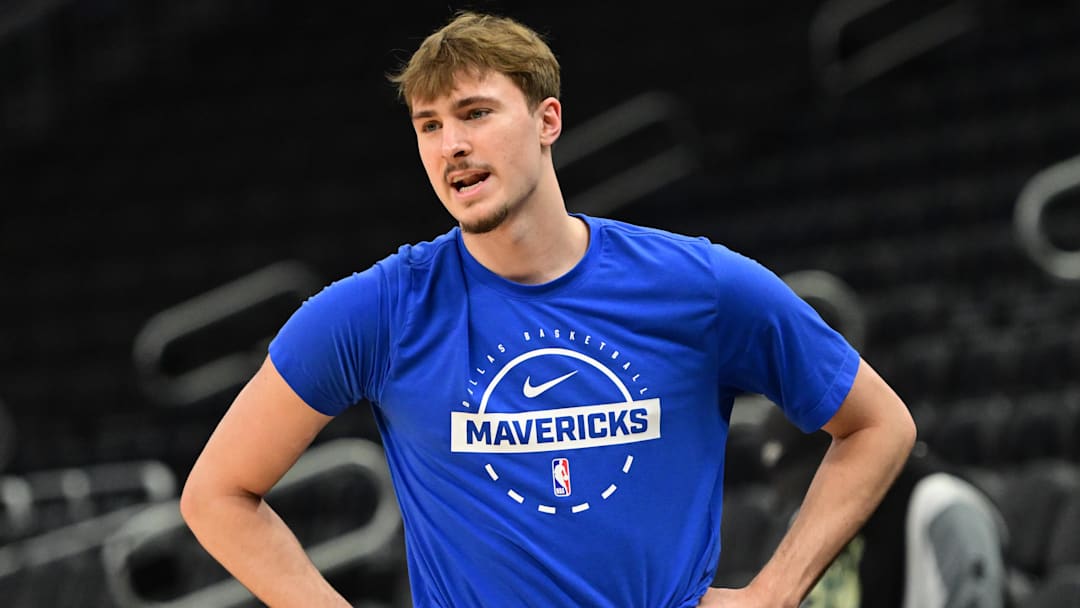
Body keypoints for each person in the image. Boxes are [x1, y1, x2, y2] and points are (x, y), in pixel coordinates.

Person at [179, 10, 917, 608]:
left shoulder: (698, 285)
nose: (451, 145)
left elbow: (878, 424)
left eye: (475, 113)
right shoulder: (377, 311)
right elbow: (216, 494)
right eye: (429, 125)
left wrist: (775, 592)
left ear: (547, 120)